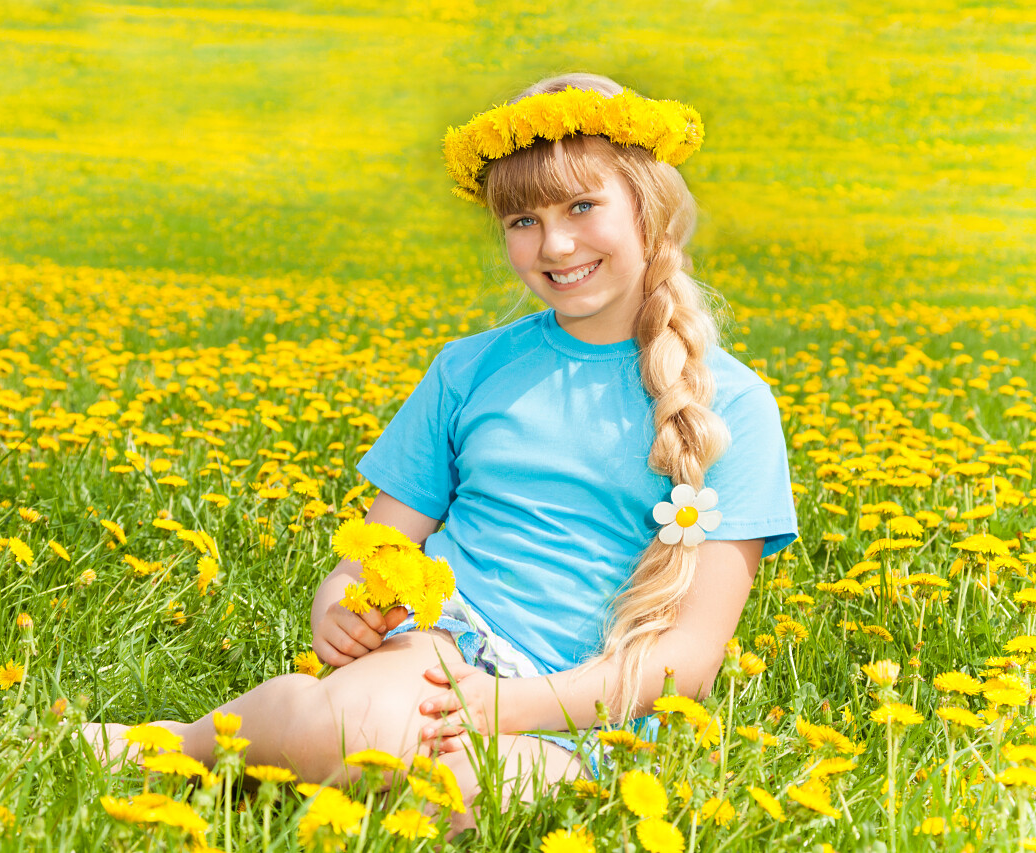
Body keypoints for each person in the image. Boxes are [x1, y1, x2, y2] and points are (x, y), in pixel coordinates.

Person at [84, 71, 797, 829]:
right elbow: (376, 549)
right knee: (368, 738)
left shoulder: (735, 407)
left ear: (649, 211)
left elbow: (686, 657)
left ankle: (289, 763)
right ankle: (181, 744)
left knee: (459, 803)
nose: (554, 243)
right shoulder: (472, 369)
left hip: (600, 710)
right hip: (447, 653)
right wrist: (341, 608)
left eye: (583, 207)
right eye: (522, 220)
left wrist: (504, 708)